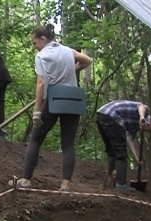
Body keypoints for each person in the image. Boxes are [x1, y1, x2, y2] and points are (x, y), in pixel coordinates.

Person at [9, 24, 92, 192]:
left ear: (43, 39)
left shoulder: (42, 56)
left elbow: (41, 83)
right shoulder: (67, 51)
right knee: (68, 145)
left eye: (34, 43)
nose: (35, 47)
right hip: (73, 99)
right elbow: (88, 61)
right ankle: (65, 186)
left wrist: (37, 110)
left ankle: (25, 181)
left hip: (54, 98)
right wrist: (74, 69)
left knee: (35, 139)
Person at [96, 100, 151, 191]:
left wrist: (136, 157)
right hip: (111, 114)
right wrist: (142, 117)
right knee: (121, 153)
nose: (150, 132)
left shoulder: (134, 126)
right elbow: (141, 106)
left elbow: (129, 138)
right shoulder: (146, 114)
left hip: (102, 115)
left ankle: (110, 180)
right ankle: (121, 183)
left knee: (112, 151)